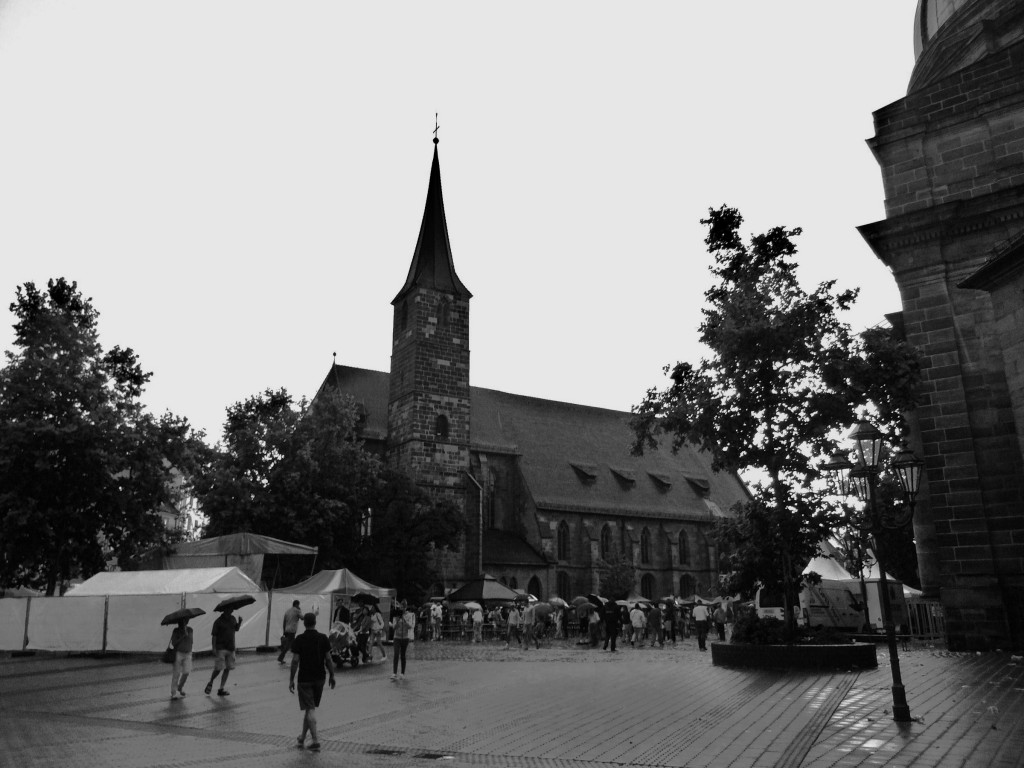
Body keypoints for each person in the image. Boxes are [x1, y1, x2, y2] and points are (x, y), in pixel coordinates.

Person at [289, 612, 335, 752]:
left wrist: (291, 679)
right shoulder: (323, 638)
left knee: (310, 709)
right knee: (310, 708)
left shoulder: (299, 639)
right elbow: (328, 659)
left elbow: (295, 660)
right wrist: (332, 675)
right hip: (320, 678)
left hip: (305, 679)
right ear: (315, 622)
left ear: (304, 623)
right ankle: (302, 738)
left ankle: (315, 740)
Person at [205, 607, 242, 696]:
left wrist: (240, 622)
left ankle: (221, 688)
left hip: (230, 647)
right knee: (218, 668)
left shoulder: (233, 619)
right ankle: (211, 681)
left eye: (232, 609)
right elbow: (214, 635)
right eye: (230, 609)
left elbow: (236, 629)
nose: (232, 610)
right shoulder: (218, 621)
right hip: (221, 648)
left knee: (227, 668)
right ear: (225, 610)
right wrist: (214, 648)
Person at [169, 617, 194, 699]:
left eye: (185, 621)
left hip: (188, 653)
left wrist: (187, 634)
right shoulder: (176, 631)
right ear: (179, 622)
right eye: (182, 621)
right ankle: (173, 693)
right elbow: (173, 643)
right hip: (178, 653)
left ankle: (180, 687)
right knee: (176, 673)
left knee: (186, 672)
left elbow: (191, 641)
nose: (183, 623)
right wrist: (182, 637)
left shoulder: (190, 629)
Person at [390, 601, 415, 679]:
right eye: (400, 607)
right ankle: (394, 673)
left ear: (406, 607)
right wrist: (397, 620)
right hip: (396, 637)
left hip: (405, 638)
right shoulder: (396, 615)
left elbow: (410, 626)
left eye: (403, 607)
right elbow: (394, 627)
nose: (401, 609)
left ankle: (402, 673)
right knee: (396, 654)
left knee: (403, 655)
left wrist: (404, 620)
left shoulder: (409, 615)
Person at [278, 600, 302, 664]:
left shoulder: (287, 611)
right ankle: (281, 658)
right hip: (292, 631)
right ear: (297, 604)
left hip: (287, 630)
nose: (299, 606)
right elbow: (302, 618)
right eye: (298, 605)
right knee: (289, 646)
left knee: (290, 645)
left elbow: (284, 622)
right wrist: (300, 611)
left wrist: (284, 631)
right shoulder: (297, 610)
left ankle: (281, 658)